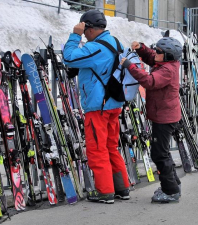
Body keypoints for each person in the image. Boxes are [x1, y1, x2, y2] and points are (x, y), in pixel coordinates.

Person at [63, 9, 130, 203]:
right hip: (113, 103)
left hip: (98, 106)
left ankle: (105, 192)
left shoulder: (95, 47)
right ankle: (121, 188)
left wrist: (74, 35)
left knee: (97, 149)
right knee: (111, 147)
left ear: (90, 29)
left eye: (85, 31)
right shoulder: (115, 42)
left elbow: (68, 57)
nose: (84, 34)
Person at [120, 37, 183, 203]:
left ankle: (170, 191)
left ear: (168, 56)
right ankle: (173, 184)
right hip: (163, 114)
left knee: (159, 154)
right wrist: (141, 48)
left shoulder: (167, 70)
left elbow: (149, 81)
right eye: (156, 49)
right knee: (162, 152)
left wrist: (130, 66)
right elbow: (151, 57)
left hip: (164, 117)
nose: (156, 53)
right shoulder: (164, 63)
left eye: (160, 52)